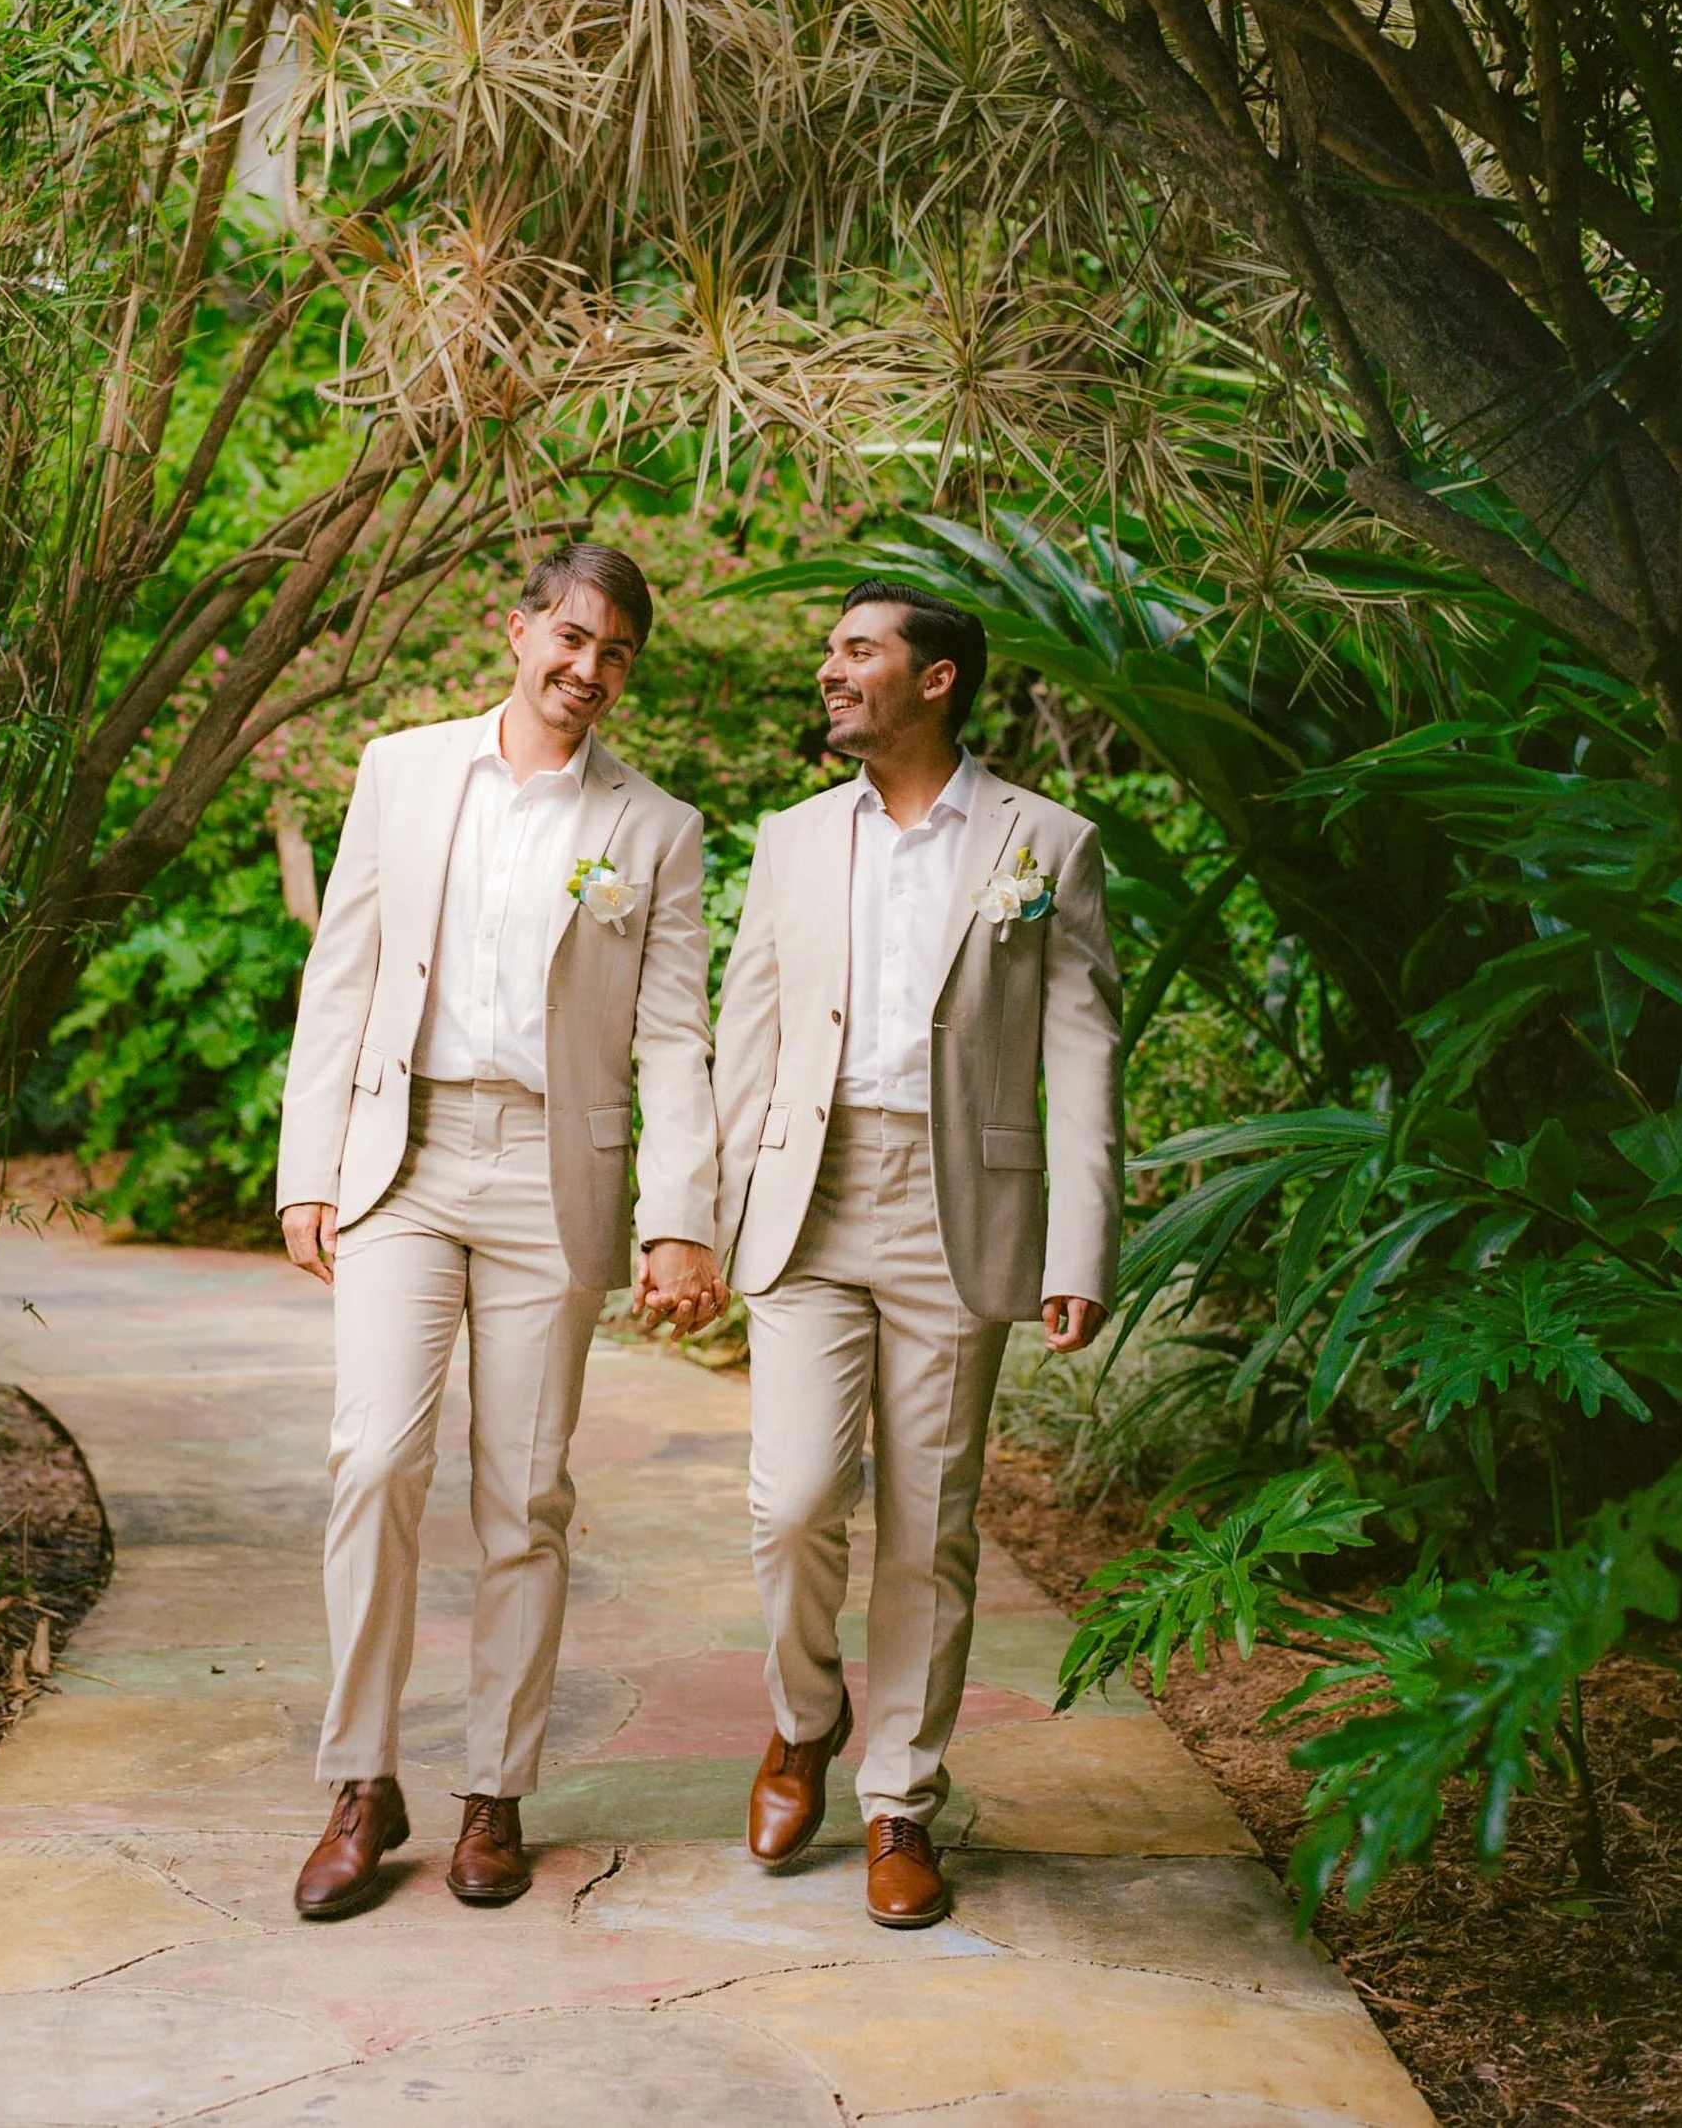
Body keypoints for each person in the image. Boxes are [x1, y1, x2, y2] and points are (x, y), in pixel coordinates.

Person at [275, 544, 725, 1918]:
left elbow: (673, 1035)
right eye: (573, 640)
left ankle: (492, 1791)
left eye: (618, 657)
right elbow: (341, 971)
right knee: (372, 1458)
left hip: (552, 1172)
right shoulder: (402, 771)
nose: (589, 672)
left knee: (525, 1495)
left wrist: (678, 1221)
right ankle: (361, 1781)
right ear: (518, 627)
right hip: (402, 1155)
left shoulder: (658, 830)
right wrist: (308, 1167)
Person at [711, 579, 1123, 1928]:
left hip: (963, 1209)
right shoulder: (789, 837)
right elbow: (750, 1035)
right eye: (829, 648)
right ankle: (803, 1718)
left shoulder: (1044, 842)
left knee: (931, 1522)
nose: (829, 669)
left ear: (935, 678)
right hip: (812, 1199)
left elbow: (1082, 1048)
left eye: (856, 649)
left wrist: (1082, 1238)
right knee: (793, 1497)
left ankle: (900, 1799)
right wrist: (708, 1217)